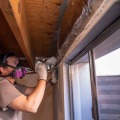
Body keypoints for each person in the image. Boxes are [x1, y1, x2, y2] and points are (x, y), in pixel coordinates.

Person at [0, 52, 47, 120]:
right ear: (3, 70)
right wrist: (42, 77)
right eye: (15, 63)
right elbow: (31, 106)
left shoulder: (12, 85)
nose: (19, 66)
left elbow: (36, 90)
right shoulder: (2, 85)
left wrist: (51, 82)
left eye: (18, 63)